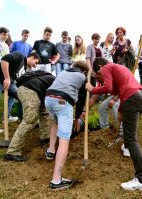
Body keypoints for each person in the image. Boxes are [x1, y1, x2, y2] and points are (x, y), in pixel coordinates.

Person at [86, 57, 142, 191]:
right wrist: (120, 109)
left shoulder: (107, 67)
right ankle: (126, 146)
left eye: (98, 75)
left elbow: (108, 87)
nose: (100, 78)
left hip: (132, 99)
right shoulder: (119, 69)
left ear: (100, 67)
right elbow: (117, 90)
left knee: (131, 139)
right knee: (129, 134)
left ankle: (141, 180)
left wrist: (93, 89)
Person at [0, 52, 40, 147]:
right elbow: (4, 60)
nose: (35, 65)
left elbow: (17, 81)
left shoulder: (25, 69)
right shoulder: (20, 56)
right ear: (32, 57)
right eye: (36, 62)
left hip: (9, 83)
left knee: (21, 96)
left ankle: (28, 121)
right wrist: (6, 78)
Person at [45, 61, 88, 190]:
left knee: (55, 122)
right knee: (64, 140)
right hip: (63, 102)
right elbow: (81, 101)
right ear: (84, 71)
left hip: (48, 99)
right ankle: (56, 180)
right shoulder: (83, 77)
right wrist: (77, 118)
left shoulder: (63, 72)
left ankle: (51, 150)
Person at [5, 70, 55, 161]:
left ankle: (46, 137)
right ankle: (12, 152)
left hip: (36, 92)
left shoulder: (54, 79)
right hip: (29, 91)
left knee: (44, 113)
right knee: (30, 120)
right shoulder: (58, 82)